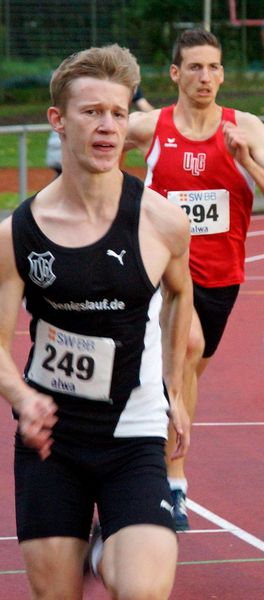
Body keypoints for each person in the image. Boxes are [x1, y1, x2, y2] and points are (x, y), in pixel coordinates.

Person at [0, 44, 193, 598]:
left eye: (119, 112)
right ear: (58, 120)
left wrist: (174, 387)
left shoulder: (162, 222)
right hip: (52, 440)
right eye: (92, 113)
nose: (108, 127)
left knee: (141, 590)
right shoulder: (18, 234)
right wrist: (21, 397)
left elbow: (181, 297)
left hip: (134, 433)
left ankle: (112, 544)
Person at [127, 28, 264, 529]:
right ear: (176, 74)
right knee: (184, 350)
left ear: (223, 73)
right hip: (161, 271)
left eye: (215, 67)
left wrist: (247, 161)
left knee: (177, 381)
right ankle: (173, 484)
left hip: (221, 278)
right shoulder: (151, 128)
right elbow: (94, 150)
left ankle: (148, 464)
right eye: (196, 67)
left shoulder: (246, 128)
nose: (206, 77)